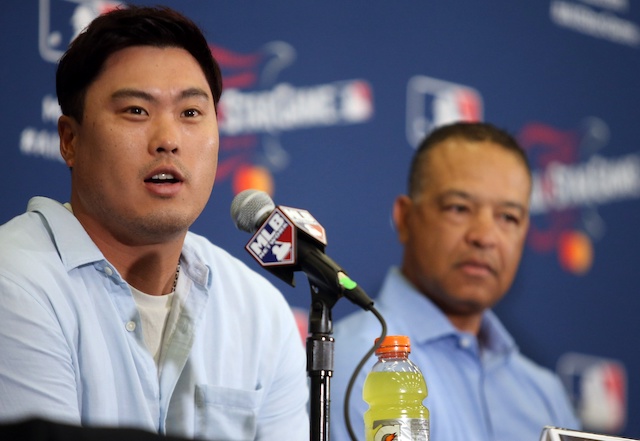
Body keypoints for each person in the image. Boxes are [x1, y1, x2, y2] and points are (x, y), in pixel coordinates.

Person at [0, 6, 309, 440]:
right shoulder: (14, 281)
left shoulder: (259, 310)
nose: (168, 139)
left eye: (190, 113)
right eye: (136, 111)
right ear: (70, 141)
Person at [330, 122, 580, 441]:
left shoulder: (544, 394)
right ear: (405, 218)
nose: (485, 236)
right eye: (459, 208)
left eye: (508, 217)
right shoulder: (358, 365)